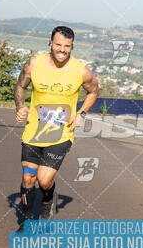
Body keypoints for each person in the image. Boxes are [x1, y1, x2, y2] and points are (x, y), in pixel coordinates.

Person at [14, 26, 99, 222]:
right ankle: (26, 220)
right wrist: (20, 106)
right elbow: (20, 85)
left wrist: (81, 114)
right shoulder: (34, 64)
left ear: (72, 47)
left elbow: (93, 91)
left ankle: (47, 203)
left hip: (61, 134)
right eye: (58, 44)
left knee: (44, 180)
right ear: (50, 44)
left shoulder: (81, 70)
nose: (62, 49)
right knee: (28, 178)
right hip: (34, 131)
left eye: (67, 46)